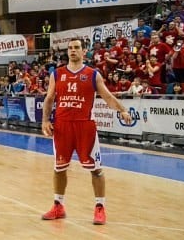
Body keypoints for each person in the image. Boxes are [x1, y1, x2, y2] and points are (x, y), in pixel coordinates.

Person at [40, 37, 132, 225]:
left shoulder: (92, 74)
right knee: (59, 168)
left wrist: (122, 109)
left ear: (84, 52)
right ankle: (58, 205)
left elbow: (106, 96)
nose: (73, 50)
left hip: (85, 126)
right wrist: (44, 121)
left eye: (77, 48)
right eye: (70, 48)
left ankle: (100, 207)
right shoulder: (56, 74)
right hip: (62, 126)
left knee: (96, 169)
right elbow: (49, 99)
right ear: (67, 52)